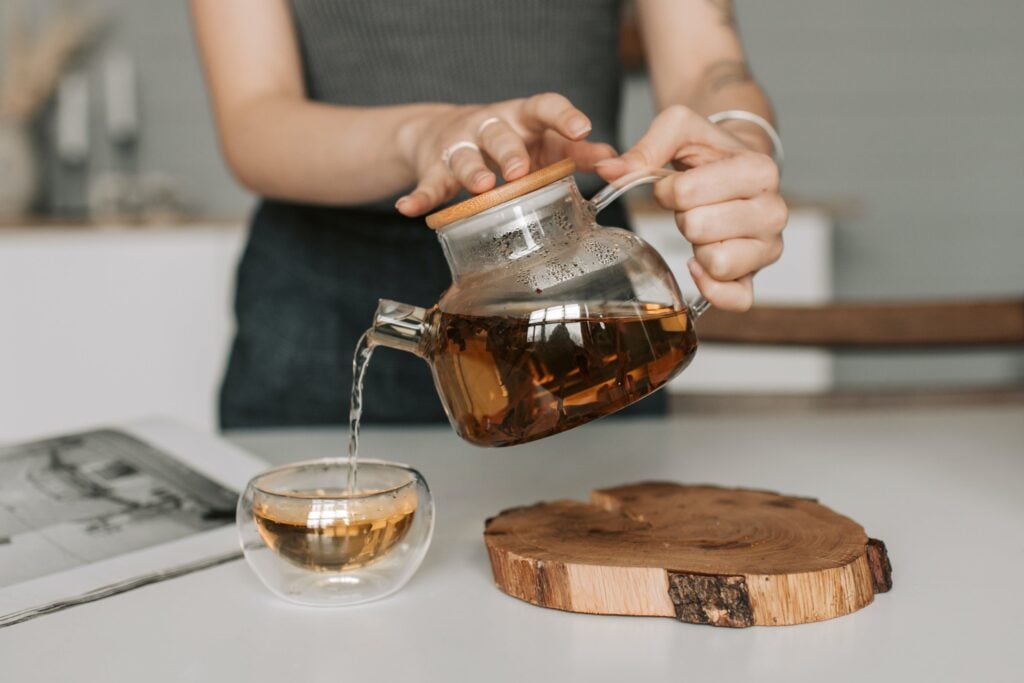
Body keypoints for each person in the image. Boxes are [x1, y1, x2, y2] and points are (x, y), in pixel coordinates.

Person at [191, 0, 787, 429]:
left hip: (579, 292)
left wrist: (739, 146)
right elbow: (253, 118)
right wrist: (422, 136)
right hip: (319, 304)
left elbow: (708, 65)